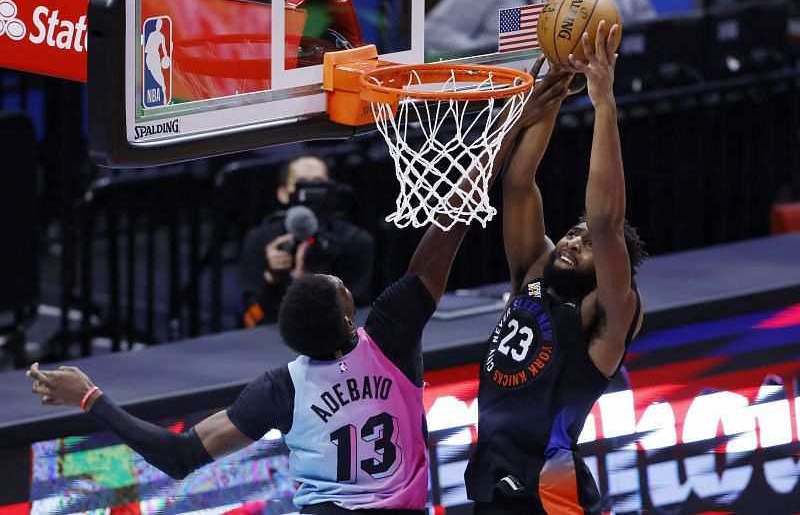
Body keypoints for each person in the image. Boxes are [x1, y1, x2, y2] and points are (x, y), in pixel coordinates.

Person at [25, 69, 573, 514]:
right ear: (349, 317)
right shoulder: (388, 336)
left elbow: (179, 454)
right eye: (339, 286)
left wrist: (90, 398)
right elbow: (450, 220)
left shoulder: (280, 389)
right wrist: (507, 132)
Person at [464, 21, 647, 514]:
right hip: (497, 476)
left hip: (551, 490)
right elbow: (520, 182)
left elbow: (608, 222)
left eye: (587, 246)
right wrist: (554, 85)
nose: (573, 240)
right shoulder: (533, 273)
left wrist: (603, 102)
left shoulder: (606, 311)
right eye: (572, 232)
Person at [238, 156, 375, 326]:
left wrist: (308, 285)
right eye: (302, 183)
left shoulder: (354, 242)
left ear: (332, 189)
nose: (311, 190)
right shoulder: (261, 240)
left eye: (319, 182)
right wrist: (271, 280)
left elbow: (355, 322)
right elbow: (251, 320)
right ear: (282, 193)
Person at [425, 0, 656, 57]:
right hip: (523, 114)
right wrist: (499, 55)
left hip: (612, 107)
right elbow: (432, 34)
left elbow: (653, 32)